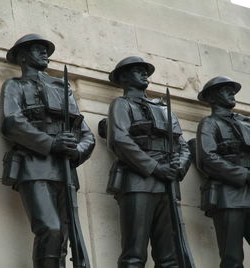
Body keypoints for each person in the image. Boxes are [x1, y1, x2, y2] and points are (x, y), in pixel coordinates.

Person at [0, 33, 95, 268]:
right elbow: (11, 122)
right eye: (37, 49)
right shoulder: (14, 85)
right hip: (33, 166)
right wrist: (51, 144)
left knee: (62, 236)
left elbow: (86, 133)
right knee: (49, 228)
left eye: (45, 49)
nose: (44, 53)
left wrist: (77, 151)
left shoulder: (62, 90)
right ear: (22, 57)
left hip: (65, 170)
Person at [106, 56, 191, 268]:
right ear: (124, 77)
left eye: (145, 70)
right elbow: (120, 140)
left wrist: (178, 167)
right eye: (137, 70)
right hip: (137, 182)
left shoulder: (164, 108)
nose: (145, 73)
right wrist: (155, 167)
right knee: (134, 254)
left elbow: (183, 145)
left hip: (168, 183)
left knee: (170, 257)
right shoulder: (121, 104)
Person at [196, 76, 250, 268]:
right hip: (228, 197)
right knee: (232, 259)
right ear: (211, 98)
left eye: (232, 89)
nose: (232, 93)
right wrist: (243, 174)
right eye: (225, 90)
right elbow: (207, 158)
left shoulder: (246, 122)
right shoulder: (210, 123)